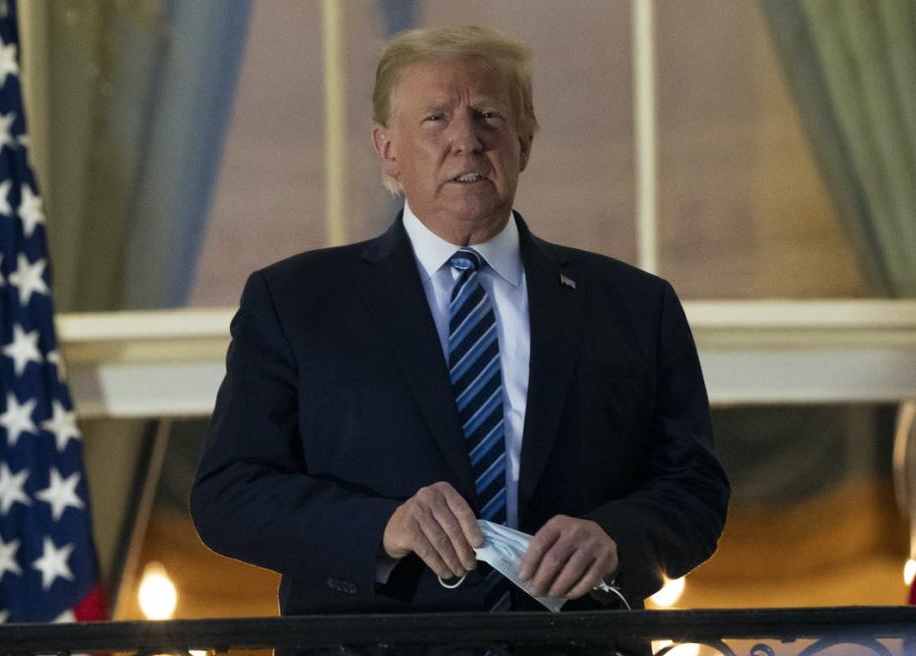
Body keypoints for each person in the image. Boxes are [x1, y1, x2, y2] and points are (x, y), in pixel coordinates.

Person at [190, 25, 729, 614]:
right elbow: (230, 493)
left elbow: (694, 489)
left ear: (524, 143)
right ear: (386, 148)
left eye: (490, 116)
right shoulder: (296, 301)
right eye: (436, 118)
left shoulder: (633, 305)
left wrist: (617, 541)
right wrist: (381, 528)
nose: (467, 141)